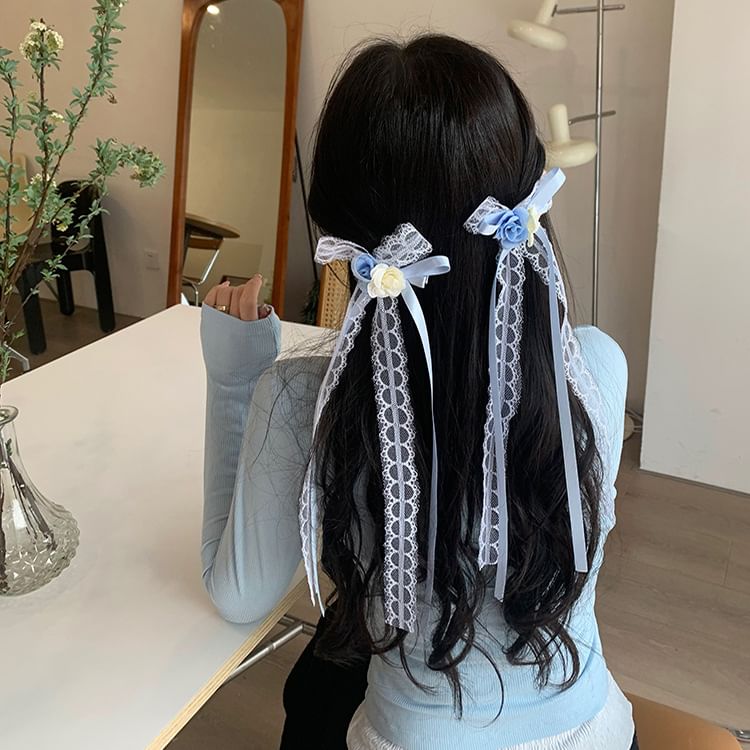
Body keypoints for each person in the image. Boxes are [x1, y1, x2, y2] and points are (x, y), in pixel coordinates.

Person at [200, 34, 635, 750]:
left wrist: (235, 377)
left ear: (345, 242)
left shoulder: (305, 401)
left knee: (313, 684)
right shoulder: (595, 368)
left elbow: (238, 597)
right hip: (595, 730)